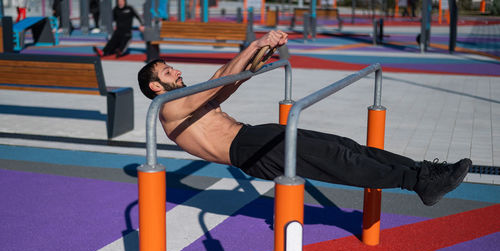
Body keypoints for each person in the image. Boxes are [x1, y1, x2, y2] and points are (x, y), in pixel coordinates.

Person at [137, 30, 472, 207]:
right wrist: (253, 44)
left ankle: (426, 173)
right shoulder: (168, 107)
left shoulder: (185, 100)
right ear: (156, 85)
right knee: (338, 160)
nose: (177, 71)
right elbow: (217, 82)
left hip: (254, 136)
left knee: (346, 145)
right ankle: (417, 182)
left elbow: (228, 86)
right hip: (250, 150)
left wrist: (262, 53)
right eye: (169, 71)